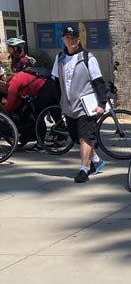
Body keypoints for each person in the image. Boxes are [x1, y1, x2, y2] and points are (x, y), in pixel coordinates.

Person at [51, 25, 108, 183]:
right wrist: (59, 101)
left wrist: (102, 104)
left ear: (78, 39)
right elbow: (55, 81)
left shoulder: (88, 58)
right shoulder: (60, 58)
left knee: (84, 137)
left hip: (86, 106)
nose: (71, 40)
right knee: (77, 138)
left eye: (73, 37)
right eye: (68, 38)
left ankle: (84, 169)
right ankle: (96, 160)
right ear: (63, 40)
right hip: (69, 106)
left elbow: (98, 81)